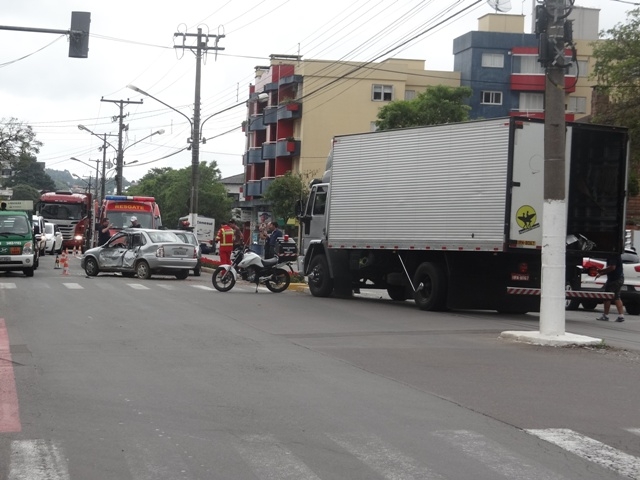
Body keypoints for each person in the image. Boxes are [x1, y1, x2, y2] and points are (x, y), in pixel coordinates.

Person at [596, 252, 625, 322]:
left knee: (607, 297)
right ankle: (621, 316)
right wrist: (601, 273)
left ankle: (606, 315)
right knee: (616, 297)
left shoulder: (612, 255)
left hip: (614, 280)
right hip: (619, 278)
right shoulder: (617, 254)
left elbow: (612, 267)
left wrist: (601, 271)